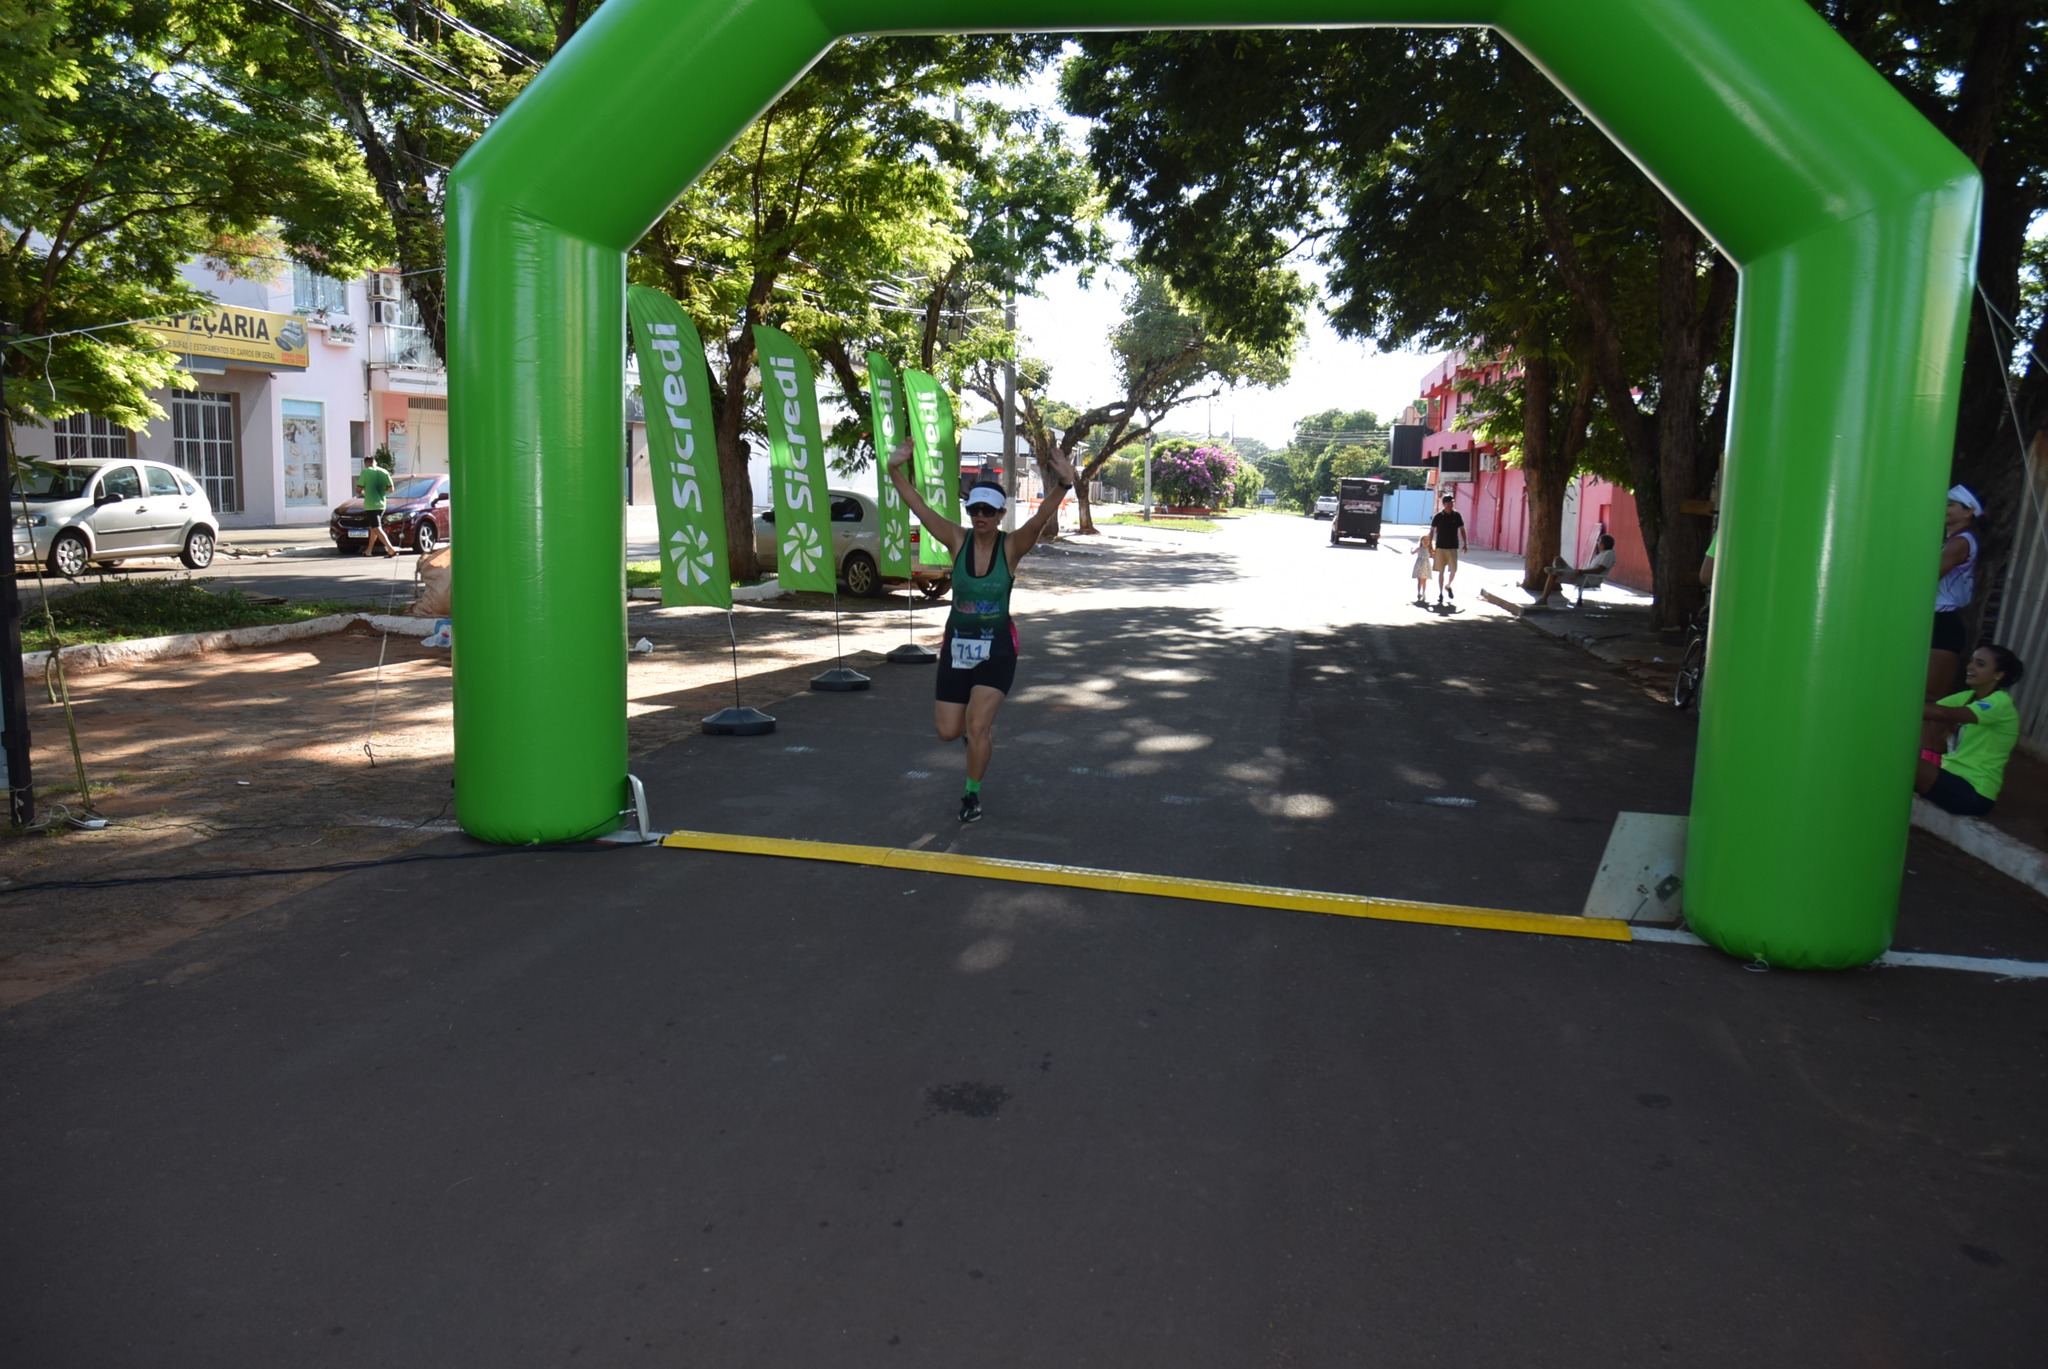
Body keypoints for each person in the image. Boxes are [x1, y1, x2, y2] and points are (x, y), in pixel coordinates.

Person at [887, 440, 1077, 823]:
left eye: (989, 510)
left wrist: (1064, 484)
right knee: (947, 730)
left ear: (1001, 513)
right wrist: (894, 469)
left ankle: (971, 794)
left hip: (997, 650)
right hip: (957, 649)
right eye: (975, 509)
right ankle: (975, 740)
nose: (981, 516)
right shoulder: (957, 540)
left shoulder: (1012, 547)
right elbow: (920, 508)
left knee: (978, 725)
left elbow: (1039, 518)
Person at [1916, 644, 2023, 817]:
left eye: (1980, 664)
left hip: (1973, 793)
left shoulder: (1999, 703)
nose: (1970, 667)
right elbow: (1931, 710)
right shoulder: (1967, 696)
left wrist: (1896, 707)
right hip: (1949, 777)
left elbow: (1942, 712)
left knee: (1903, 763)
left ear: (1998, 675)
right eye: (1972, 661)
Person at [1539, 533, 1617, 602]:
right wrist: (1579, 572)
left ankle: (1544, 599)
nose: (1597, 544)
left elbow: (1598, 570)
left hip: (1588, 579)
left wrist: (1581, 572)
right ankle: (1559, 571)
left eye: (1599, 542)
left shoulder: (1609, 554)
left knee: (1552, 575)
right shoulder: (1602, 554)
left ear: (1603, 544)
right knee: (1558, 559)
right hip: (1582, 575)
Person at [1428, 492, 1466, 606]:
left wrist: (1465, 543)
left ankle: (1448, 585)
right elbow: (1432, 530)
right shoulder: (1438, 516)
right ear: (1444, 504)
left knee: (1453, 570)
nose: (1450, 505)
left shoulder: (1457, 516)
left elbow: (1462, 529)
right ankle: (1440, 593)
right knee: (1441, 571)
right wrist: (1430, 544)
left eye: (1451, 503)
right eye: (1448, 503)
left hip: (1453, 547)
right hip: (1440, 547)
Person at [358, 455, 397, 557]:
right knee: (373, 528)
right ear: (375, 462)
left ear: (366, 463)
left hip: (371, 504)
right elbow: (391, 489)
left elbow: (358, 489)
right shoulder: (384, 472)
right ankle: (369, 551)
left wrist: (365, 492)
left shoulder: (365, 472)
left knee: (376, 527)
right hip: (382, 504)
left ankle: (390, 549)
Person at [1410, 532, 1433, 607]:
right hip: (1419, 565)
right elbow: (1412, 553)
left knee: (1424, 580)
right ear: (1421, 541)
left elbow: (1434, 555)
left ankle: (1423, 592)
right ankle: (1419, 592)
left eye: (1427, 540)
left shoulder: (1430, 549)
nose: (1426, 541)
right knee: (1419, 579)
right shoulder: (1419, 549)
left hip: (1426, 565)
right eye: (1424, 540)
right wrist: (1412, 550)